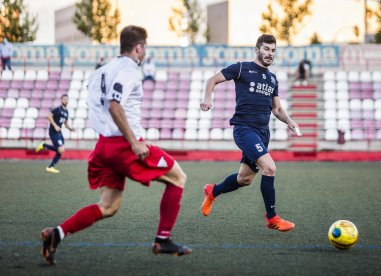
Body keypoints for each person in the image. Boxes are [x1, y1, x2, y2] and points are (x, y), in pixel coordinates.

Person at [39, 25, 192, 266]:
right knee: (178, 178)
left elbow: (103, 107)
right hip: (124, 146)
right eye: (145, 48)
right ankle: (162, 239)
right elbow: (114, 105)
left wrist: (126, 135)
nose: (145, 53)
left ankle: (56, 234)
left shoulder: (101, 71)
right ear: (139, 47)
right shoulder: (129, 70)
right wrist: (134, 141)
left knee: (108, 206)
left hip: (104, 146)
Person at [200, 34, 301, 232]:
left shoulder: (272, 79)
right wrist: (207, 98)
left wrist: (289, 121)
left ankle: (213, 191)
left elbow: (277, 109)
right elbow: (212, 80)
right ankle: (272, 218)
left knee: (244, 179)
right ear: (257, 50)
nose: (270, 53)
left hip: (263, 134)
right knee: (270, 168)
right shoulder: (241, 68)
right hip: (244, 130)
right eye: (266, 49)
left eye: (273, 50)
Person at [35, 94, 74, 173]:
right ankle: (44, 146)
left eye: (67, 99)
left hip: (59, 133)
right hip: (54, 132)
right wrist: (55, 126)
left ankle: (50, 166)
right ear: (61, 100)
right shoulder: (58, 109)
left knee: (61, 150)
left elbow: (65, 123)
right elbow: (49, 116)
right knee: (61, 150)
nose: (66, 101)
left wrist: (70, 128)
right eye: (64, 99)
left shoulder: (66, 111)